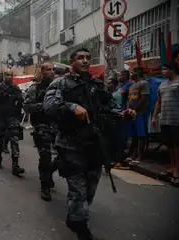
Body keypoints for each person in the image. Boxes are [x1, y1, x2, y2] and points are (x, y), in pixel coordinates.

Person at [43, 48, 136, 239]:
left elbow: (110, 107)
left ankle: (76, 216)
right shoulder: (60, 83)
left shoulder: (96, 85)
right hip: (71, 145)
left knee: (90, 189)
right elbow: (49, 106)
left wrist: (124, 113)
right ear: (72, 62)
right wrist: (71, 106)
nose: (85, 61)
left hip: (94, 145)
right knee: (78, 190)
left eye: (88, 58)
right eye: (80, 58)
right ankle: (80, 225)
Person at [24, 62, 57, 201]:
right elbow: (27, 107)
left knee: (65, 156)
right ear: (42, 72)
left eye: (53, 70)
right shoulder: (34, 89)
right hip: (41, 126)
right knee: (45, 156)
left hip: (57, 126)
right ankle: (44, 186)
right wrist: (44, 106)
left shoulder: (58, 87)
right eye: (48, 70)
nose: (51, 72)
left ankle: (48, 172)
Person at [0, 69, 25, 175]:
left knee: (15, 139)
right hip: (0, 117)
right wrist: (0, 94)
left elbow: (21, 101)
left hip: (12, 117)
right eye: (7, 75)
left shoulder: (15, 88)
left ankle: (15, 165)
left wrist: (19, 100)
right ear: (3, 76)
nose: (10, 77)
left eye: (11, 75)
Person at [152, 62, 179, 186]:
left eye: (165, 69)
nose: (162, 71)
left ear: (173, 69)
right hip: (165, 119)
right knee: (169, 144)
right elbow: (158, 102)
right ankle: (172, 166)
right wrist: (154, 117)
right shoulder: (162, 85)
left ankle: (177, 170)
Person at [126, 68, 150, 164]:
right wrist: (129, 110)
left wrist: (135, 109)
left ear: (138, 72)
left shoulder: (144, 83)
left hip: (140, 113)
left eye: (133, 72)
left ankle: (140, 156)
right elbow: (129, 99)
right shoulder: (131, 86)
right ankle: (134, 154)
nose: (131, 74)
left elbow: (144, 98)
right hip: (132, 113)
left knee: (141, 135)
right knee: (134, 135)